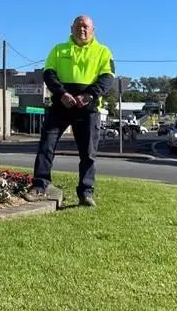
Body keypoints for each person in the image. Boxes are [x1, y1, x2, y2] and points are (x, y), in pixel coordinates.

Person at [24, 15, 115, 207]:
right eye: (78, 26)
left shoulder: (103, 52)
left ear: (93, 30)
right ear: (71, 28)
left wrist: (89, 95)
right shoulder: (58, 50)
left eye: (86, 27)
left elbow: (107, 78)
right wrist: (62, 94)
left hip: (88, 109)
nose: (82, 29)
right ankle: (40, 185)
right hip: (60, 106)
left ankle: (86, 192)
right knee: (46, 146)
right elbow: (48, 73)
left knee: (88, 153)